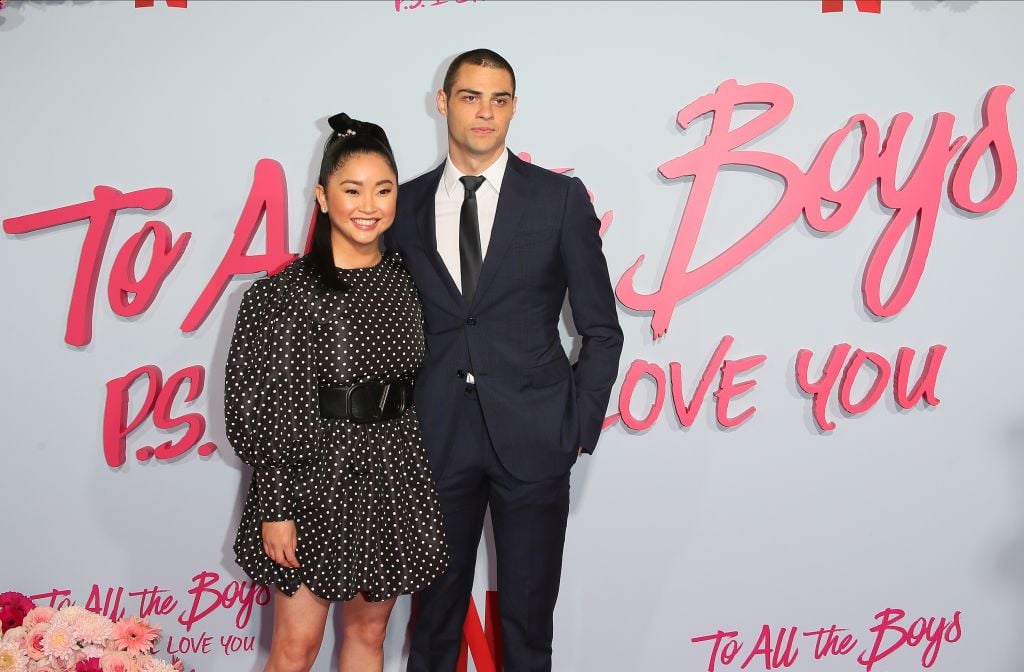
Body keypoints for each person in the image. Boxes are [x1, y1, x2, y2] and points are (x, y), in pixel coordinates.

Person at [386, 49, 624, 671]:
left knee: (526, 626)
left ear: (514, 106)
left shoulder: (559, 199)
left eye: (499, 99)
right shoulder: (403, 208)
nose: (485, 112)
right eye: (470, 97)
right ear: (443, 103)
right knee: (433, 625)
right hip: (433, 438)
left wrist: (577, 427)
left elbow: (602, 329)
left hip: (536, 434)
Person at [225, 113, 448, 672]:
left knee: (369, 635)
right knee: (297, 646)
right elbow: (259, 409)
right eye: (352, 190)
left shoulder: (410, 281)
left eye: (383, 189)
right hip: (310, 479)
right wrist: (275, 507)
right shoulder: (282, 296)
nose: (368, 204)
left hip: (392, 476)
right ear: (323, 197)